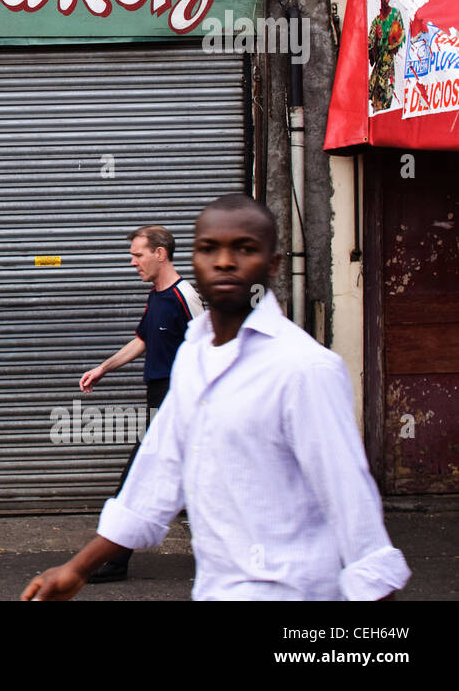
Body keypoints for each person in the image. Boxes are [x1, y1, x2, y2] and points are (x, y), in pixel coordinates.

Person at [22, 194, 410, 601]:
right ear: (196, 259)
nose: (224, 261)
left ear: (272, 265)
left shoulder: (306, 369)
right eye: (209, 249)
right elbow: (156, 478)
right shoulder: (194, 354)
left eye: (244, 248)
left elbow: (353, 511)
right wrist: (76, 569)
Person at [78, 225, 202, 583]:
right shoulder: (157, 296)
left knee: (136, 477)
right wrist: (103, 368)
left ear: (160, 253)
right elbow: (142, 340)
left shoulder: (185, 295)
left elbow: (209, 344)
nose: (133, 262)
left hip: (179, 398)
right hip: (160, 396)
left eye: (138, 255)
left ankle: (114, 560)